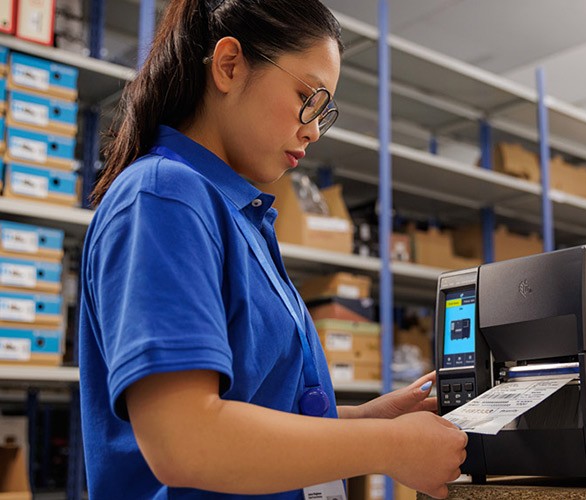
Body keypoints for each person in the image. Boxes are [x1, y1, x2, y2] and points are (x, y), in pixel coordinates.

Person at [78, 0, 468, 499]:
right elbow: (186, 440)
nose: (313, 129)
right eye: (308, 96)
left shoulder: (241, 216)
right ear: (229, 66)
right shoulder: (164, 197)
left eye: (325, 112)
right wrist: (384, 445)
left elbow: (256, 407)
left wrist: (361, 419)